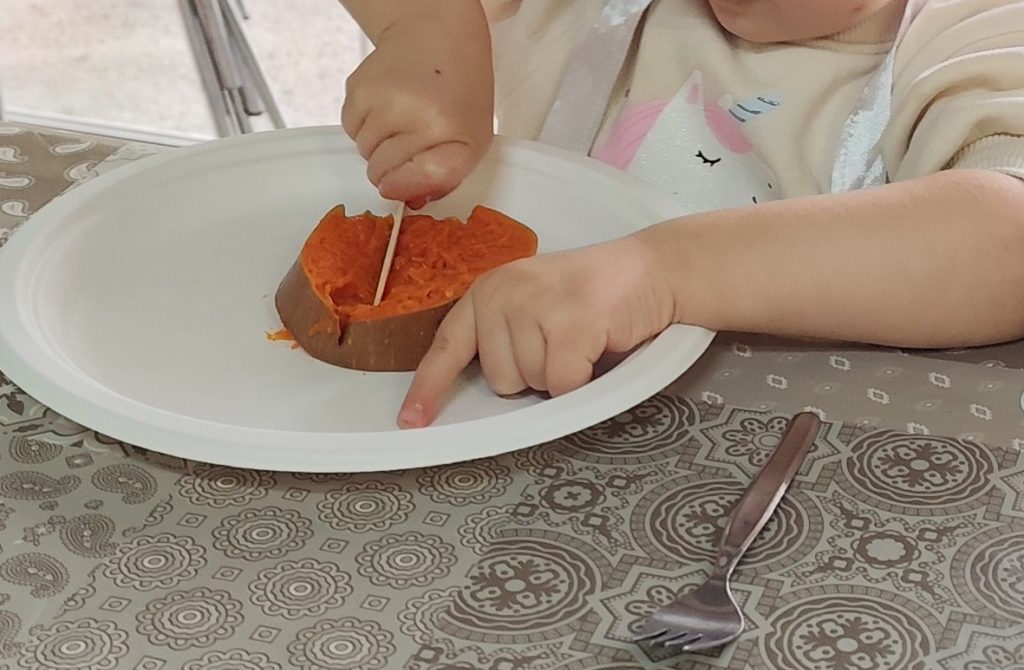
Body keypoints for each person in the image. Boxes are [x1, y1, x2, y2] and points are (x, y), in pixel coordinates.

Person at [338, 0, 1024, 429]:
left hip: (789, 486)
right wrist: (428, 28)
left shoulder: (970, 27)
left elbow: (1007, 237)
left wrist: (663, 270)